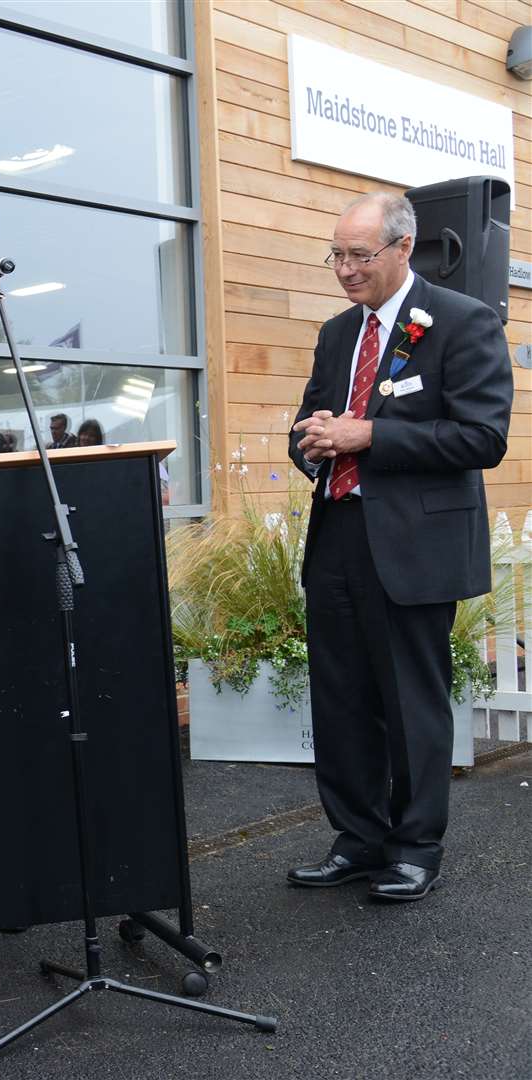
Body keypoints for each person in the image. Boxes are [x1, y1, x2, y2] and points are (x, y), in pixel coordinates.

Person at [287, 191, 511, 903]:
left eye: (360, 256)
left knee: (411, 701)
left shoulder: (464, 322)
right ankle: (358, 839)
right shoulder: (334, 333)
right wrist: (317, 443)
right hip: (338, 536)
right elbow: (311, 425)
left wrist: (370, 435)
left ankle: (415, 848)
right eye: (337, 256)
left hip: (415, 547)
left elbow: (483, 438)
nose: (345, 270)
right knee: (341, 698)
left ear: (404, 247)